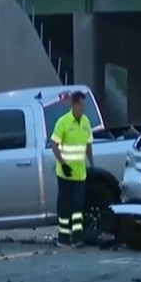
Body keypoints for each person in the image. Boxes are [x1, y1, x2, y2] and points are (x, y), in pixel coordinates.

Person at [50, 91, 94, 247]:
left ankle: (77, 237)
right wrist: (63, 164)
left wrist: (92, 164)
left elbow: (88, 145)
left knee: (78, 207)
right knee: (65, 206)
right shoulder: (63, 122)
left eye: (84, 105)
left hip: (80, 173)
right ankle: (63, 237)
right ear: (74, 105)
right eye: (81, 105)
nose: (83, 108)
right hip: (65, 173)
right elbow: (54, 145)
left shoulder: (86, 122)